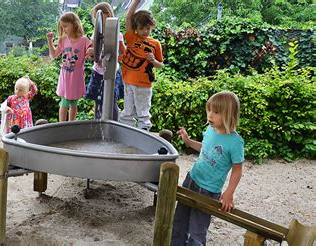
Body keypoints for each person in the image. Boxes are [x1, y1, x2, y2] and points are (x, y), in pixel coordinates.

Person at [171, 91, 244, 245]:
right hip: (192, 180)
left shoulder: (235, 142)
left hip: (209, 190)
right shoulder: (210, 130)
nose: (210, 115)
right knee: (179, 221)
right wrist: (188, 141)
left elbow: (237, 169)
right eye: (209, 110)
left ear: (229, 114)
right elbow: (205, 148)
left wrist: (229, 193)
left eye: (216, 112)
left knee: (197, 230)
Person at [119, 0, 163, 131]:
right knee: (127, 112)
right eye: (141, 28)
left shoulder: (155, 44)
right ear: (135, 28)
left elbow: (160, 64)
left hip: (144, 84)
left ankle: (144, 132)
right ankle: (126, 134)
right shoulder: (132, 38)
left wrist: (153, 61)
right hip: (128, 82)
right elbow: (128, 16)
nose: (145, 31)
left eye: (148, 28)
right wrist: (136, 2)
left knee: (143, 113)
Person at [47, 12, 91, 122]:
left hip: (76, 76)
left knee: (74, 102)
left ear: (74, 24)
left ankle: (71, 124)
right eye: (62, 27)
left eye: (66, 26)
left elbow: (92, 51)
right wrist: (49, 41)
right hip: (65, 76)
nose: (64, 29)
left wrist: (91, 51)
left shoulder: (84, 40)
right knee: (65, 101)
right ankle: (62, 125)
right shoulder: (63, 40)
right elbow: (54, 54)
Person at [85, 2, 126, 120]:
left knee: (112, 102)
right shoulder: (96, 34)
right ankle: (98, 124)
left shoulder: (117, 34)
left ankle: (112, 125)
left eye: (99, 16)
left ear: (108, 14)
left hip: (112, 73)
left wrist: (113, 61)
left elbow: (124, 52)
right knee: (98, 101)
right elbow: (92, 51)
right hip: (98, 72)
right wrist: (92, 54)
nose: (97, 20)